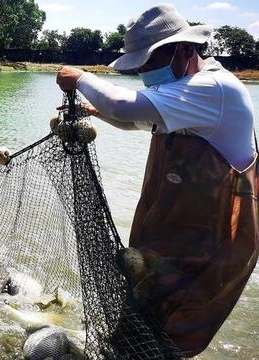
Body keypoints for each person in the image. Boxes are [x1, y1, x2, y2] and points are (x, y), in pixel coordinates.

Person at [56, 4, 258, 357]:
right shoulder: (185, 90)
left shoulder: (213, 87)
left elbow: (127, 107)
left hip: (208, 250)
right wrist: (94, 111)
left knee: (167, 336)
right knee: (138, 325)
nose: (145, 73)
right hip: (171, 241)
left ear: (184, 49)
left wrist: (82, 78)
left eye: (149, 63)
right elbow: (137, 120)